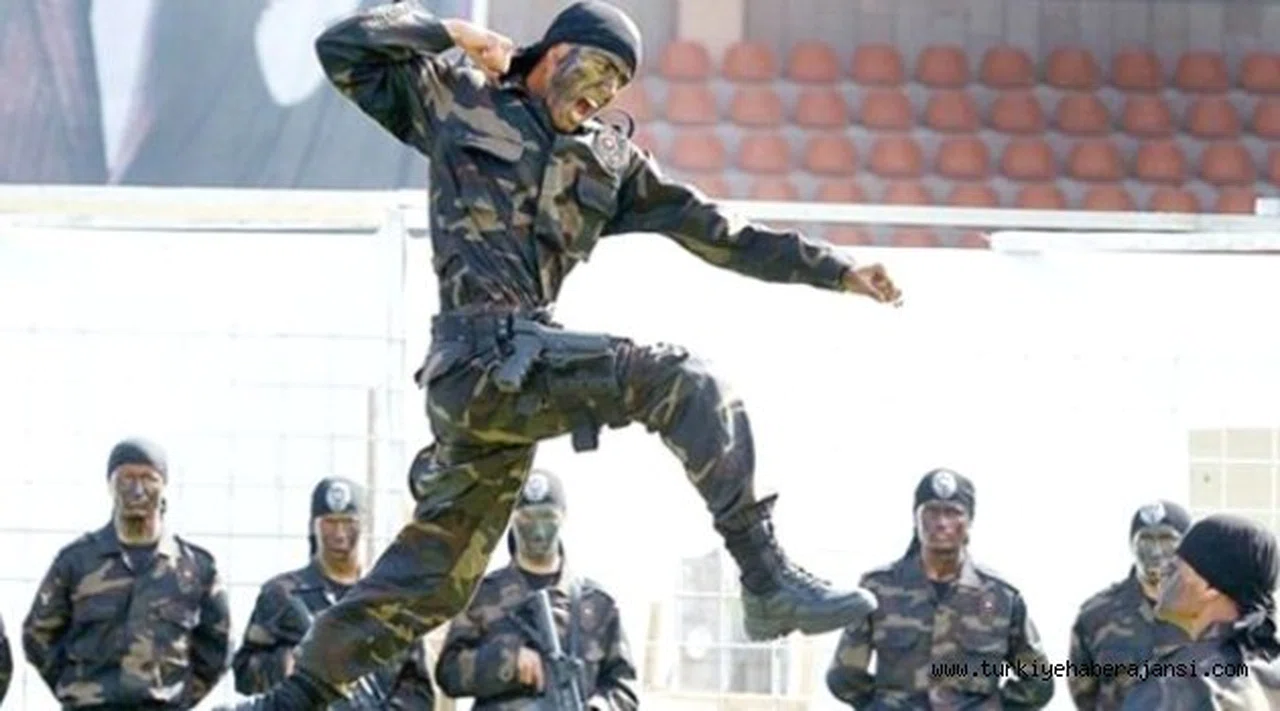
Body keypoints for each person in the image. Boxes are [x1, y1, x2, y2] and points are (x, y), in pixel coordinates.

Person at [219, 2, 900, 708]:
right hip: (473, 362)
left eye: (617, 87)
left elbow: (717, 230)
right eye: (600, 70)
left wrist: (836, 269)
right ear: (557, 51)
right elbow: (343, 48)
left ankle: (296, 695)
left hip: (517, 378)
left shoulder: (608, 162)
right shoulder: (457, 100)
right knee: (680, 379)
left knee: (437, 575)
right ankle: (765, 577)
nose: (603, 94)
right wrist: (452, 33)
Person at [22, 438, 231, 709]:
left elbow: (218, 648)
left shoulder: (196, 569)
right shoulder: (76, 562)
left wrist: (178, 699)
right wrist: (76, 691)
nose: (138, 490)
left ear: (164, 485)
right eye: (126, 478)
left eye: (149, 478)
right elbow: (38, 636)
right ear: (110, 485)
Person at [825, 469, 1055, 709]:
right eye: (931, 511)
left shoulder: (1001, 597)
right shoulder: (878, 589)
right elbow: (843, 676)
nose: (941, 523)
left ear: (970, 521)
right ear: (915, 518)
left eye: (953, 512)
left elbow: (1039, 681)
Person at [435, 469, 637, 709]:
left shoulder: (598, 605)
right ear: (511, 519)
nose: (538, 531)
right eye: (527, 519)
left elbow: (624, 688)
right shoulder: (483, 595)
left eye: (547, 517)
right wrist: (507, 661)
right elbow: (448, 674)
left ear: (563, 517)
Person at [232, 477, 437, 709]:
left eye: (348, 522)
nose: (339, 534)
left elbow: (418, 691)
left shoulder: (390, 597)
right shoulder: (281, 594)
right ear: (313, 525)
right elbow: (244, 674)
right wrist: (292, 665)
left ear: (364, 524)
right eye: (330, 522)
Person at [1121, 514, 1280, 710]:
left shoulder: (1176, 683)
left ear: (1210, 588)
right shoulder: (1269, 670)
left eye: (1174, 569)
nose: (1162, 573)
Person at [1067, 500, 1192, 710]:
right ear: (1131, 544)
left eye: (1167, 540)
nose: (1156, 551)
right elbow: (1084, 693)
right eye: (1146, 540)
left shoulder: (1210, 612)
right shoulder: (1096, 615)